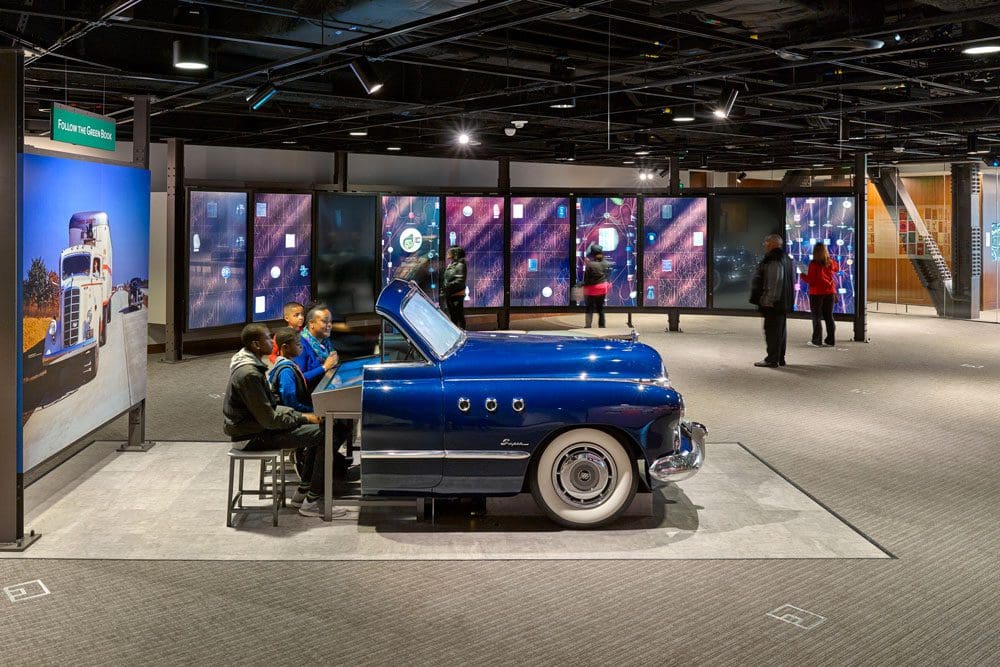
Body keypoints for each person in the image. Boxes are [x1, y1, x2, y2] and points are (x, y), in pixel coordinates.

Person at [222, 324, 346, 518]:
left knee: (322, 427)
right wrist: (303, 416)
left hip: (257, 429)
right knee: (329, 433)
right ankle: (312, 501)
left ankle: (304, 492)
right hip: (251, 436)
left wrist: (302, 417)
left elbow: (269, 408)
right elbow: (270, 419)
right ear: (256, 344)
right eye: (267, 338)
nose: (272, 342)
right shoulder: (249, 374)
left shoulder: (252, 367)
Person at [268, 327, 353, 478]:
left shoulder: (291, 365)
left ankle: (326, 465)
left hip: (296, 414)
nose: (301, 346)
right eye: (298, 344)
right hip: (290, 420)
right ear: (285, 347)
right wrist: (314, 411)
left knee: (341, 424)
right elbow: (291, 404)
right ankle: (312, 474)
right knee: (333, 430)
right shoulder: (286, 371)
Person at [750, 234, 794, 368]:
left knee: (772, 331)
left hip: (774, 303)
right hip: (783, 302)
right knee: (780, 331)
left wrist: (767, 300)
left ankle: (772, 359)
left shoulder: (773, 259)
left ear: (771, 244)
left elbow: (775, 281)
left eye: (766, 242)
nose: (764, 245)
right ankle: (780, 357)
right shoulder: (785, 258)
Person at [800, 242, 839, 347]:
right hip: (830, 292)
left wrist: (802, 274)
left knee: (816, 317)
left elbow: (811, 280)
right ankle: (830, 340)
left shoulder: (813, 264)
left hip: (816, 293)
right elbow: (837, 268)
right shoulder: (830, 262)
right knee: (829, 316)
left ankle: (817, 340)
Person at [294, 304, 340, 391]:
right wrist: (324, 367)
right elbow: (300, 379)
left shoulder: (326, 341)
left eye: (330, 321)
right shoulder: (300, 345)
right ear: (311, 323)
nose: (330, 325)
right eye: (325, 321)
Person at [582, 243, 610, 328]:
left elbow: (586, 279)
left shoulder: (590, 265)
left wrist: (583, 286)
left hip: (592, 290)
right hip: (602, 289)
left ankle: (588, 326)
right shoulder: (606, 263)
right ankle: (602, 326)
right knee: (600, 308)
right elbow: (607, 276)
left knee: (589, 308)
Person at [442, 245, 467, 328]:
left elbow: (460, 280)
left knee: (458, 315)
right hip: (450, 294)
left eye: (449, 252)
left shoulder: (460, 265)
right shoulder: (452, 264)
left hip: (456, 294)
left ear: (455, 253)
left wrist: (448, 285)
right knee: (453, 315)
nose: (447, 253)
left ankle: (462, 332)